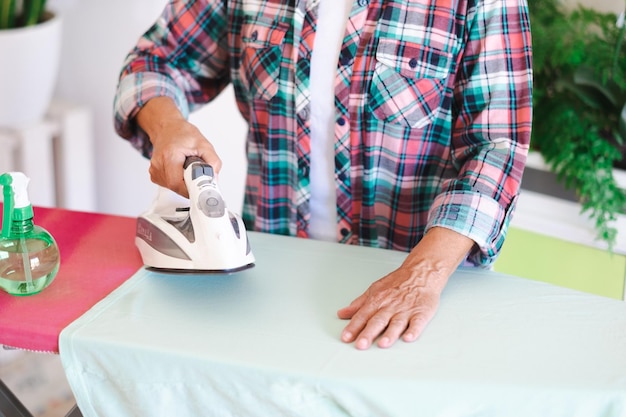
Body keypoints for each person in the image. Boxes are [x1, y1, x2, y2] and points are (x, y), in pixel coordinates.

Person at [113, 0, 533, 350]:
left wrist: (421, 276)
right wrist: (167, 126)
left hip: (414, 286)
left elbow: (495, 147)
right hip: (269, 287)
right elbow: (155, 63)